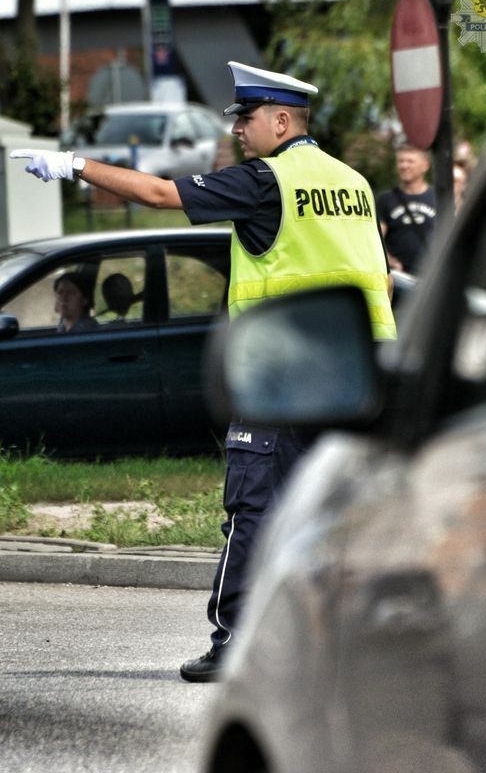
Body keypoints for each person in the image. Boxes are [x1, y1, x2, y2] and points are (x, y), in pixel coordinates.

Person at [11, 60, 397, 682]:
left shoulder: (266, 181)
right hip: (362, 373)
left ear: (280, 119)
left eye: (246, 118)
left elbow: (163, 194)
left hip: (286, 373)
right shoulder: (354, 182)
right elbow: (375, 275)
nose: (240, 130)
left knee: (255, 505)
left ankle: (236, 641)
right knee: (337, 507)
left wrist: (74, 166)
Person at [376, 143, 436, 274]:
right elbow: (376, 240)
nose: (404, 166)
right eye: (401, 161)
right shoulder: (385, 199)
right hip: (399, 278)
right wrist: (388, 260)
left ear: (425, 166)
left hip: (430, 278)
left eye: (410, 161)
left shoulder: (438, 197)